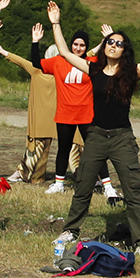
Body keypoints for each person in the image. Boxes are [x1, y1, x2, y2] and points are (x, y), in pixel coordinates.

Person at [51, 2, 140, 258]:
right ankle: (70, 230)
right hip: (96, 134)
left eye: (119, 43)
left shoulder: (132, 72)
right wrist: (55, 22)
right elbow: (64, 52)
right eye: (110, 41)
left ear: (125, 50)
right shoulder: (93, 68)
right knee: (83, 185)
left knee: (132, 189)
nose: (114, 45)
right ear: (105, 45)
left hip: (121, 137)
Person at [0, 24, 61, 186]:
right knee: (43, 149)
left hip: (40, 118)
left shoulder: (41, 70)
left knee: (35, 148)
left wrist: (4, 52)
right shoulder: (56, 72)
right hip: (51, 118)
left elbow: (20, 61)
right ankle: (30, 175)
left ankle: (31, 176)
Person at [32, 21, 96, 194]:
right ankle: (59, 183)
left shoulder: (92, 62)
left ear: (86, 47)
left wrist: (107, 41)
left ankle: (105, 185)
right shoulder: (59, 61)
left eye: (82, 45)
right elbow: (37, 63)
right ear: (71, 45)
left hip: (87, 114)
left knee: (94, 149)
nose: (78, 48)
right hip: (65, 114)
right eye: (75, 44)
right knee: (63, 148)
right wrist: (35, 42)